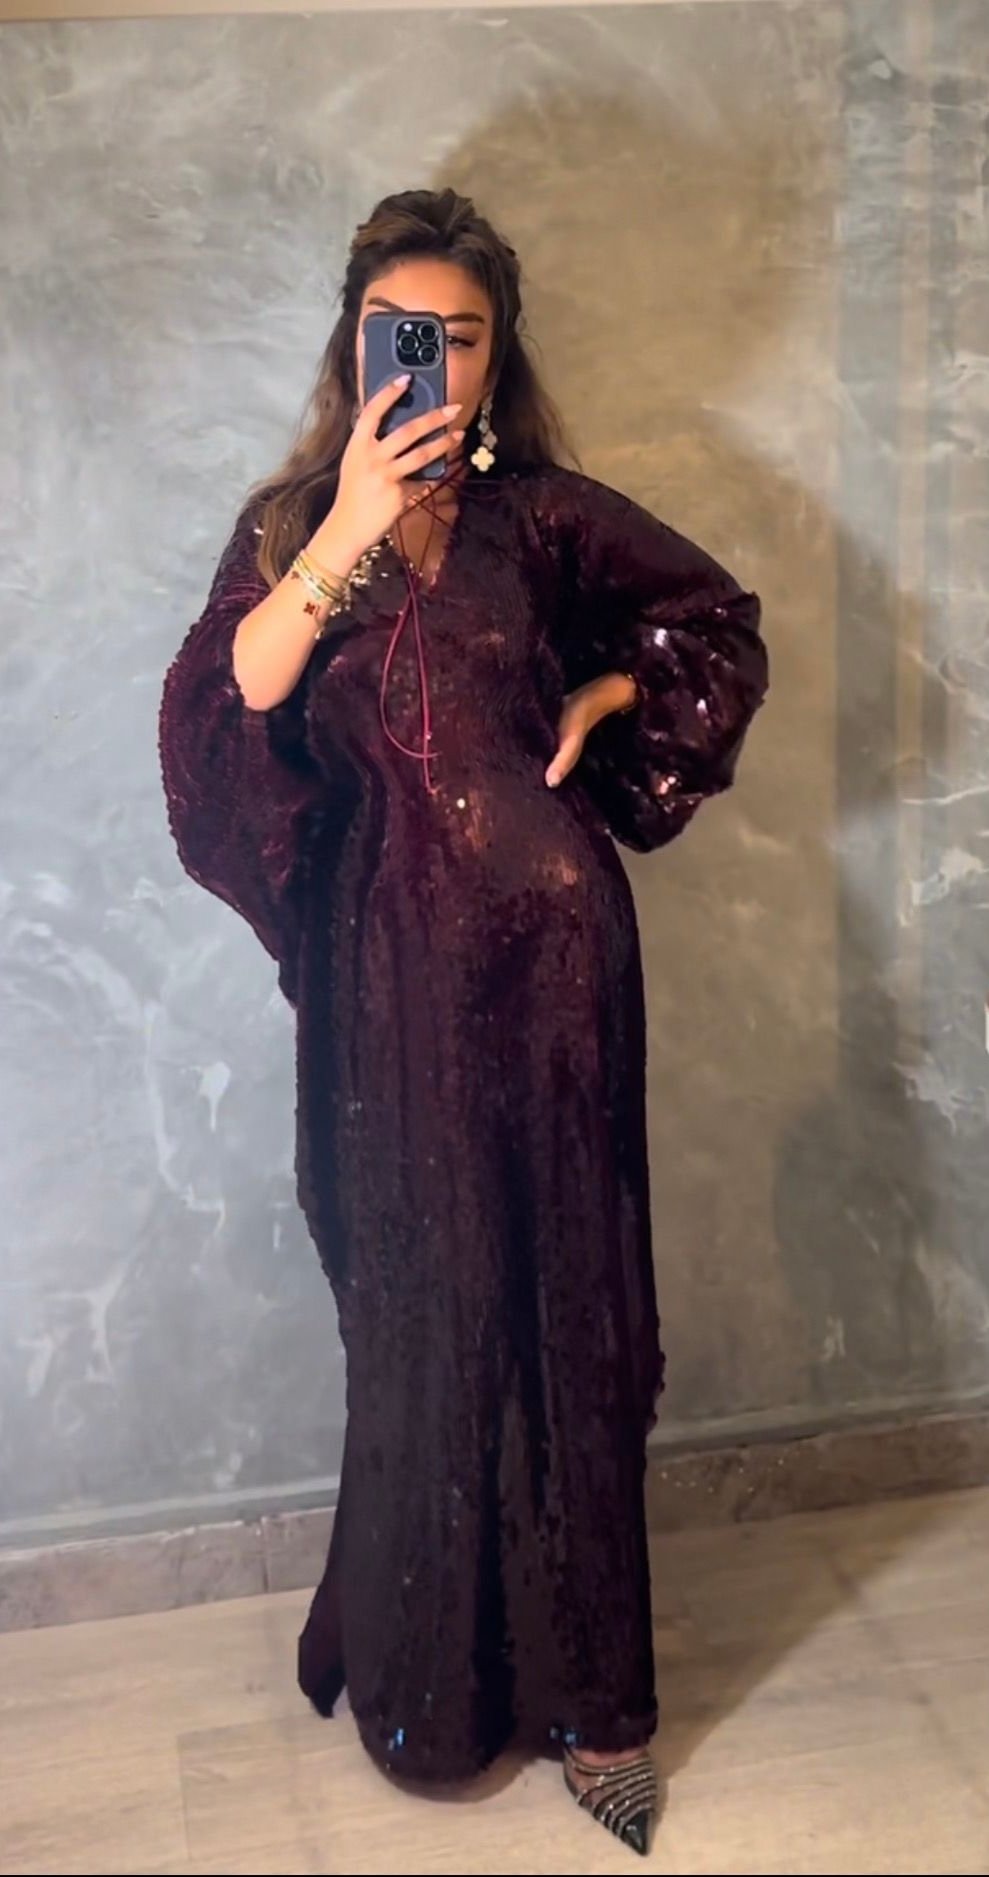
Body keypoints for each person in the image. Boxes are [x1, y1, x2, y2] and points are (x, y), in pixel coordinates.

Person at [158, 186, 768, 1857]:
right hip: (389, 982)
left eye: (461, 336)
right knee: (421, 1306)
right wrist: (353, 518)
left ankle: (599, 1706)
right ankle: (436, 1689)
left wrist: (612, 688)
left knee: (567, 1310)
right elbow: (234, 694)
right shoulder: (291, 527)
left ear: (497, 360)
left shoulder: (546, 521)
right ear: (354, 342)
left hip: (558, 970)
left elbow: (713, 624)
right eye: (397, 332)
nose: (428, 359)